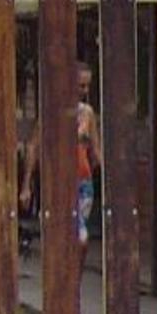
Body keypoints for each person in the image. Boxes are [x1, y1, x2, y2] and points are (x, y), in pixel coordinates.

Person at [74, 92, 98, 245]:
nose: (85, 91)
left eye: (87, 86)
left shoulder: (88, 113)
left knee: (80, 233)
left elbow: (95, 148)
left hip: (85, 179)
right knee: (80, 235)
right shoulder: (56, 109)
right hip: (65, 181)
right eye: (81, 86)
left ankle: (78, 262)